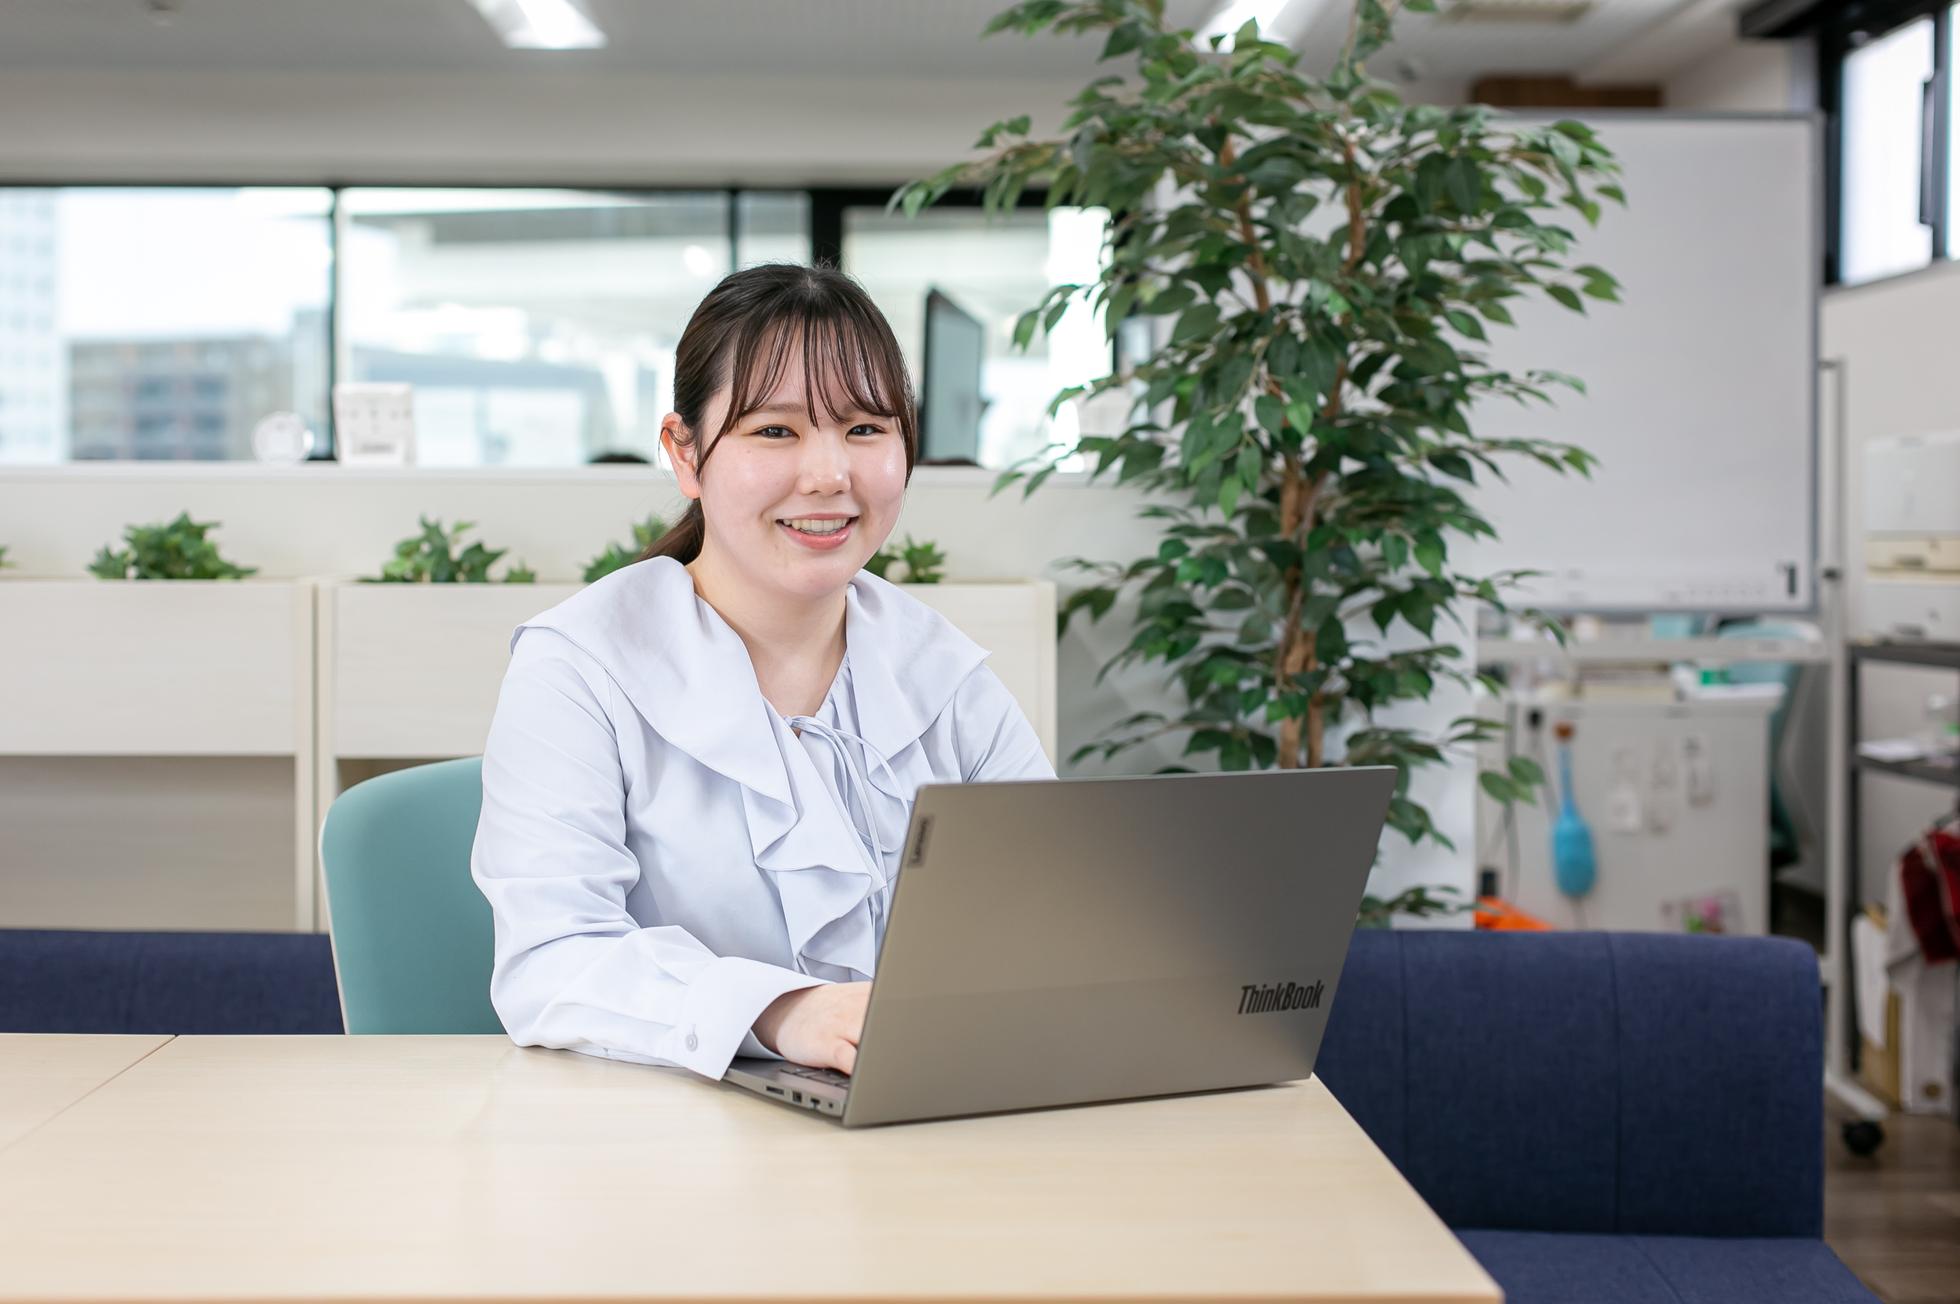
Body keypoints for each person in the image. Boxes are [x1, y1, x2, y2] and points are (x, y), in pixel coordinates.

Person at [470, 264, 1054, 1083]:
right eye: (776, 431)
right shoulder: (579, 668)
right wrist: (782, 1012)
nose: (829, 475)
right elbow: (554, 959)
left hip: (917, 1121)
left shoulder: (941, 671)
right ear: (685, 453)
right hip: (659, 1135)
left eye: (865, 428)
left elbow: (1055, 910)